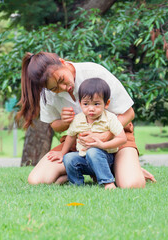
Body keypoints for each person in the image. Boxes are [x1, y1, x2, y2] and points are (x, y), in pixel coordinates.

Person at [15, 51, 156, 188]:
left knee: (132, 184)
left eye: (61, 80)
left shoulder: (94, 72)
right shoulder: (48, 94)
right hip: (79, 144)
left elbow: (129, 113)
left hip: (115, 139)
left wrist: (104, 137)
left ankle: (119, 168)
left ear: (63, 62)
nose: (64, 88)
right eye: (55, 88)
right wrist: (64, 122)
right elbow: (55, 125)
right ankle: (105, 170)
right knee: (36, 180)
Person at [47, 78, 127, 190]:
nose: (91, 109)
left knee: (93, 152)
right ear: (80, 103)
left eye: (96, 104)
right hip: (83, 158)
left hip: (105, 158)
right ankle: (76, 184)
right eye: (86, 104)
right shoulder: (78, 119)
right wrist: (62, 152)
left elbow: (122, 139)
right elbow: (71, 136)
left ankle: (107, 182)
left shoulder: (110, 118)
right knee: (69, 158)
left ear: (106, 103)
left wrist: (102, 145)